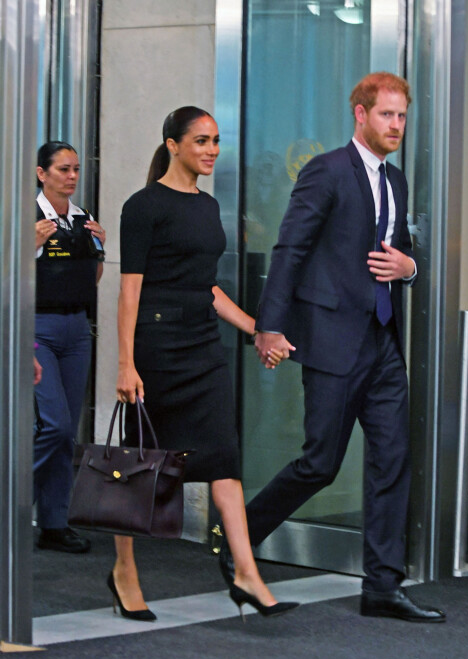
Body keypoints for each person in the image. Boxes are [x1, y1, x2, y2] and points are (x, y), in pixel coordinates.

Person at [227, 72, 446, 622]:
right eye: (386, 115)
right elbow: (289, 250)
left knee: (392, 460)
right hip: (330, 341)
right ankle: (237, 537)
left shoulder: (395, 181)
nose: (396, 126)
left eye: (402, 117)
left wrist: (410, 268)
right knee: (320, 463)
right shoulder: (325, 172)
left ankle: (383, 588)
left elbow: (398, 254)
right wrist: (268, 327)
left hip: (382, 342)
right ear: (360, 114)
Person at [113, 106, 299, 622]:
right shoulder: (143, 206)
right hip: (156, 345)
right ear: (172, 144)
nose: (211, 150)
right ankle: (124, 570)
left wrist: (258, 329)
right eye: (201, 141)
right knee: (139, 467)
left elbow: (208, 287)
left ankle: (246, 572)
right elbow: (129, 289)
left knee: (222, 455)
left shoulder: (208, 205)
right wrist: (126, 363)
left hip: (201, 345)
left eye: (215, 141)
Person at [34, 141, 106, 554]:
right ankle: (13, 500)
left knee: (67, 432)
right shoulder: (27, 216)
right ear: (42, 174)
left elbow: (91, 278)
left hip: (76, 328)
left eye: (76, 169)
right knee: (55, 425)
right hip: (38, 327)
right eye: (63, 169)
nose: (72, 176)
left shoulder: (83, 219)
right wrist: (28, 244)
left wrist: (100, 245)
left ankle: (55, 523)